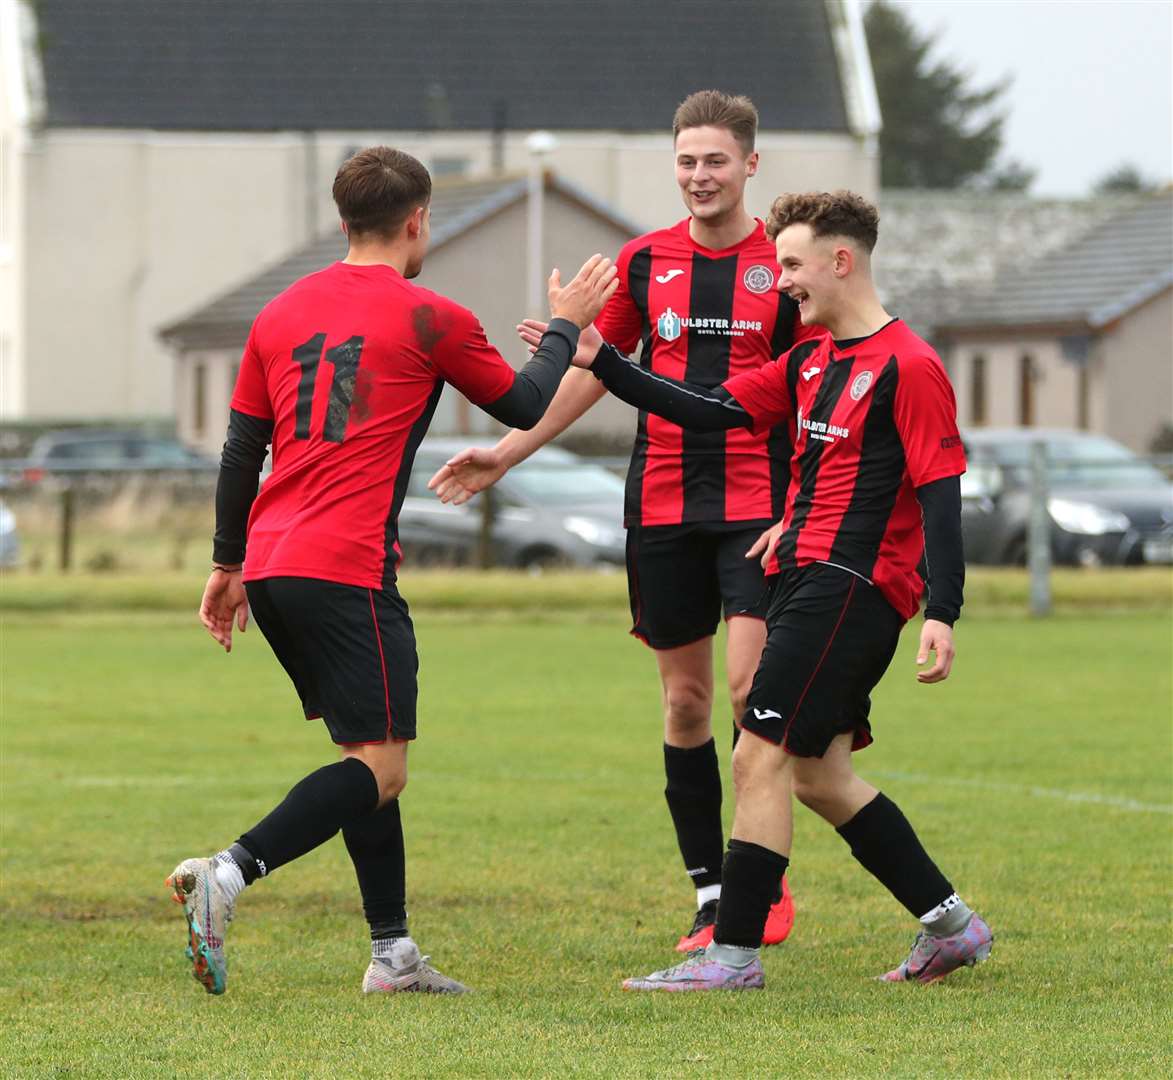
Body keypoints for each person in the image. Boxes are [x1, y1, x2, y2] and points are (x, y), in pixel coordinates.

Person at [165, 146, 618, 996]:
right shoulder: (429, 316)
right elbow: (522, 405)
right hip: (345, 567)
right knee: (381, 768)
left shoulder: (277, 313)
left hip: (271, 561)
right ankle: (225, 874)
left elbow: (239, 451)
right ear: (418, 221)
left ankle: (393, 954)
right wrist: (566, 322)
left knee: (364, 757)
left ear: (341, 222)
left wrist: (226, 563)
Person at [524, 190, 992, 990]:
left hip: (851, 587)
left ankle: (732, 956)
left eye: (792, 266)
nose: (780, 283)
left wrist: (942, 612)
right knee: (818, 775)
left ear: (840, 262)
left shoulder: (908, 365)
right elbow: (707, 410)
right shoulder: (811, 361)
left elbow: (942, 495)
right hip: (804, 576)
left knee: (757, 754)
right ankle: (950, 924)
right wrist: (603, 360)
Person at [429, 91, 819, 952]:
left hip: (757, 508)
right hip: (662, 505)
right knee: (684, 704)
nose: (698, 176)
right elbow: (592, 370)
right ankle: (713, 894)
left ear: (749, 165)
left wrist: (814, 500)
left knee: (753, 693)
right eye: (685, 161)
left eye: (715, 160)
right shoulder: (644, 264)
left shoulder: (783, 268)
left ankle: (763, 875)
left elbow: (812, 386)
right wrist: (507, 451)